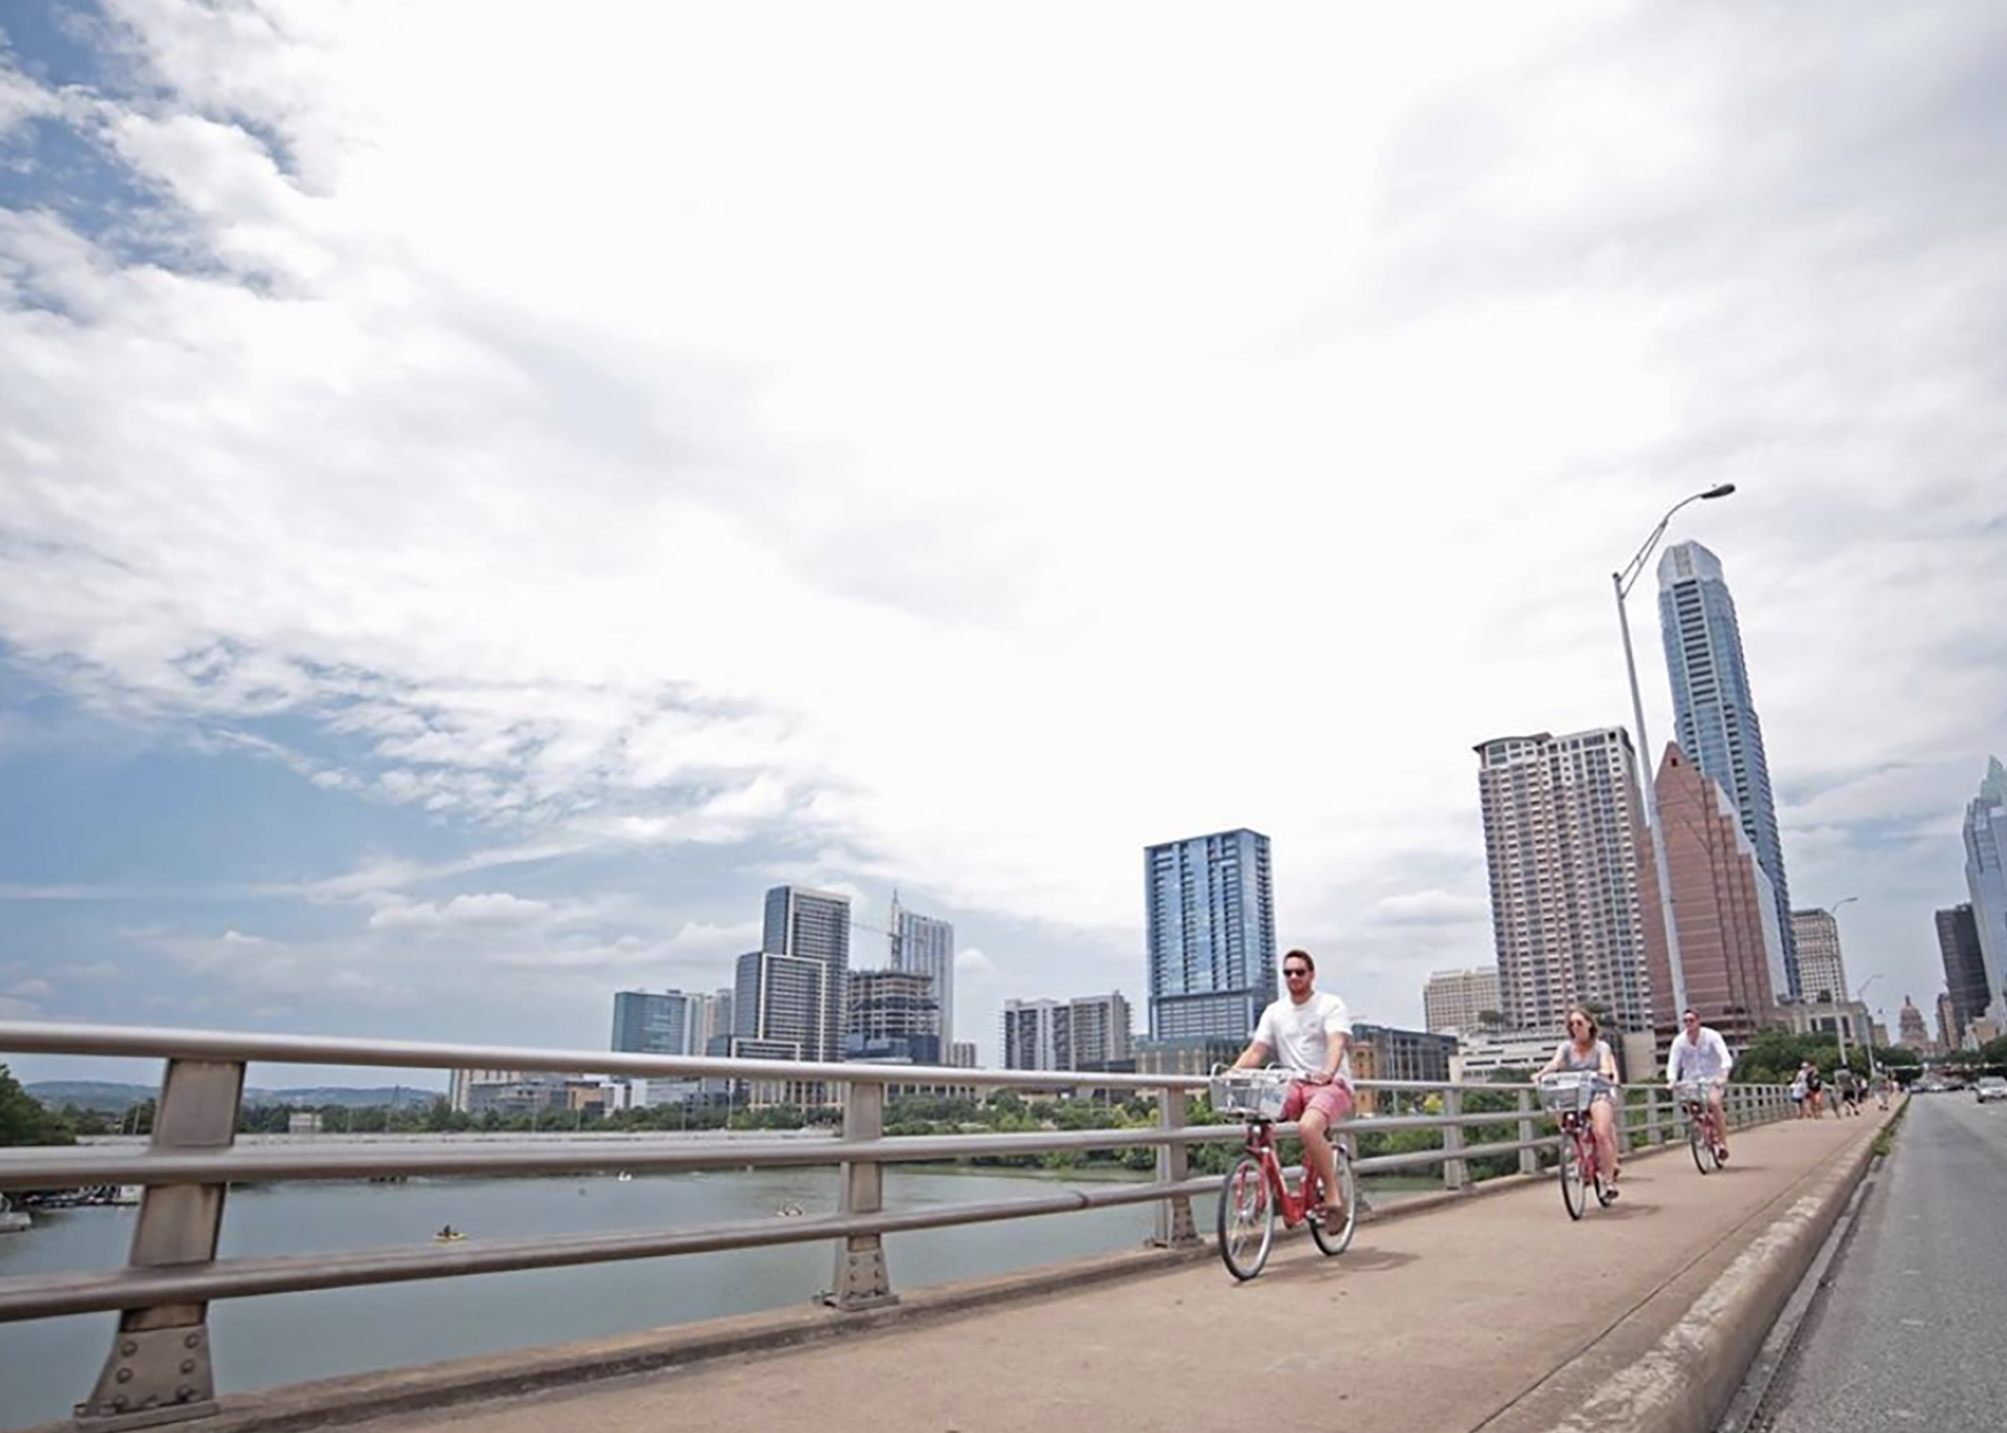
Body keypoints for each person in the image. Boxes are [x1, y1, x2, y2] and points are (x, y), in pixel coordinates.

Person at [1232, 948, 1353, 1221]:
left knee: (1308, 1128)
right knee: (1256, 1115)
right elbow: (1256, 1051)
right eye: (1288, 972)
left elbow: (1336, 1042)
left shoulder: (1330, 1005)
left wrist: (1327, 1072)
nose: (1294, 977)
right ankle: (1271, 1184)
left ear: (1312, 974)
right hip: (1293, 1084)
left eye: (1300, 971)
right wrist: (1231, 1074)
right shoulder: (1275, 1012)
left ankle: (1333, 1196)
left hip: (1331, 1084)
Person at [1535, 1006, 1624, 1195]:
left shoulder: (1601, 1047)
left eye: (1579, 1023)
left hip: (1598, 1090)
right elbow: (1556, 1063)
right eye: (1572, 1024)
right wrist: (1541, 1074)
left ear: (1590, 1024)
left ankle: (1608, 1182)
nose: (1575, 1027)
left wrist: (1605, 1073)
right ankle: (1579, 1158)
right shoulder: (1566, 1047)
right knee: (1566, 1122)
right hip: (1575, 1093)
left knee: (1601, 1133)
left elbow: (1606, 1066)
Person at [1666, 1008, 1734, 1161]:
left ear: (1698, 1021)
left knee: (1714, 1103)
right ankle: (1703, 1126)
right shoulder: (1679, 1041)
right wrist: (1671, 1079)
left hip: (1712, 1078)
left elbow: (1725, 1057)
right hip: (1691, 1080)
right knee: (1688, 1105)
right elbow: (1673, 1063)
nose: (1688, 1024)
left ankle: (1722, 1144)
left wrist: (1724, 1075)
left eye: (1691, 1020)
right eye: (1685, 1021)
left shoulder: (1712, 1036)